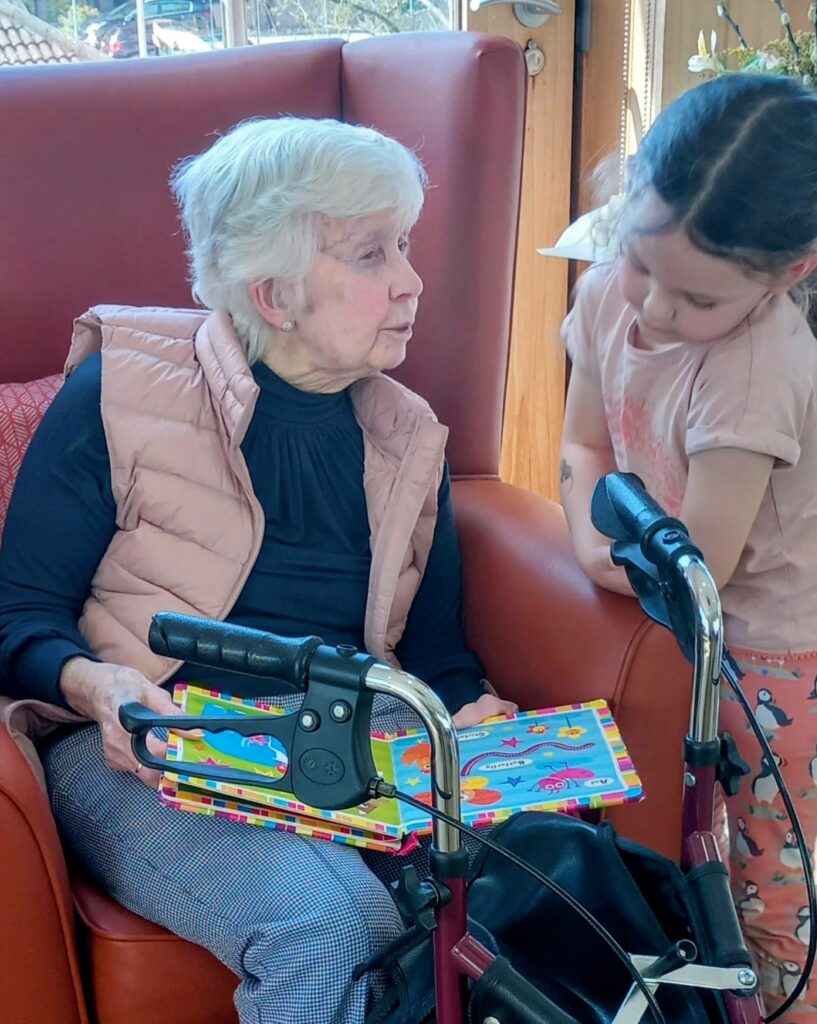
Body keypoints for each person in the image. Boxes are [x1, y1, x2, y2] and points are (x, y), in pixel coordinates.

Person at [0, 116, 515, 1024]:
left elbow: (437, 656)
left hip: (352, 731)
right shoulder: (116, 391)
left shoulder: (408, 437)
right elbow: (16, 618)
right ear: (273, 295)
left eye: (404, 243)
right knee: (323, 925)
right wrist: (97, 685)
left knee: (533, 877)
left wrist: (471, 713)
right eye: (370, 255)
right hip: (147, 744)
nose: (411, 279)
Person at [559, 74, 817, 1022]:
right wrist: (583, 543)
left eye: (693, 297)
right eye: (640, 262)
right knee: (686, 874)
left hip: (779, 656)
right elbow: (583, 445)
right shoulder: (615, 289)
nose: (648, 309)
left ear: (789, 276)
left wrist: (599, 547)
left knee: (768, 910)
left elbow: (702, 568)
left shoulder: (758, 368)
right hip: (679, 618)